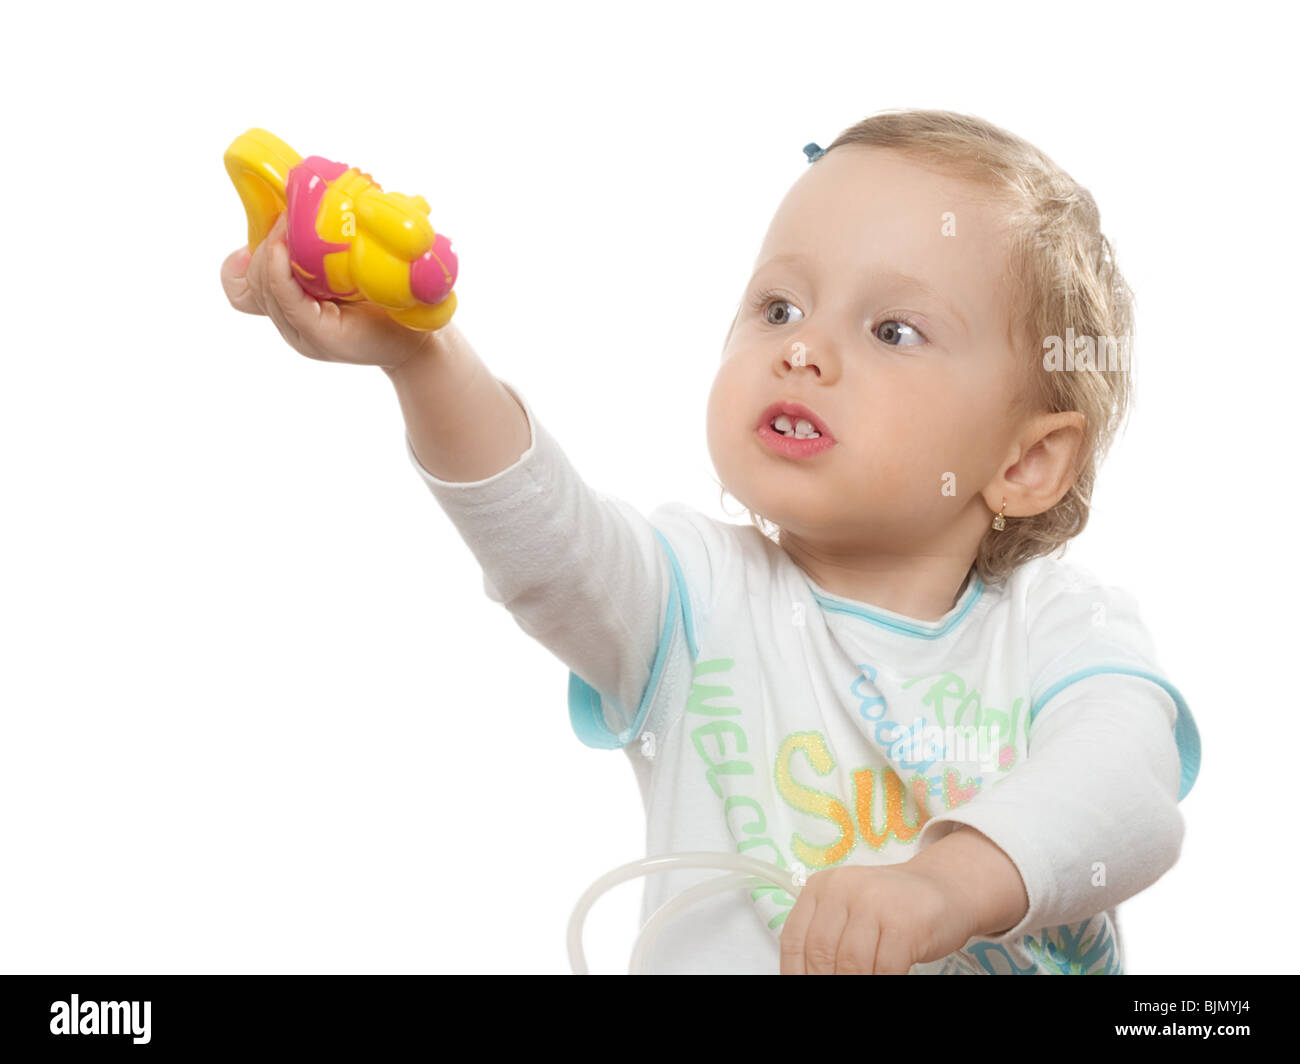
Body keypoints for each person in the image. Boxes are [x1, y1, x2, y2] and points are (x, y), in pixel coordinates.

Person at [221, 108, 1199, 975]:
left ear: (1026, 462)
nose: (802, 347)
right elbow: (541, 536)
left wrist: (944, 885)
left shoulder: (1061, 628)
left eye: (892, 329)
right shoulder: (695, 598)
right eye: (779, 305)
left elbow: (1123, 785)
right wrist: (421, 355)